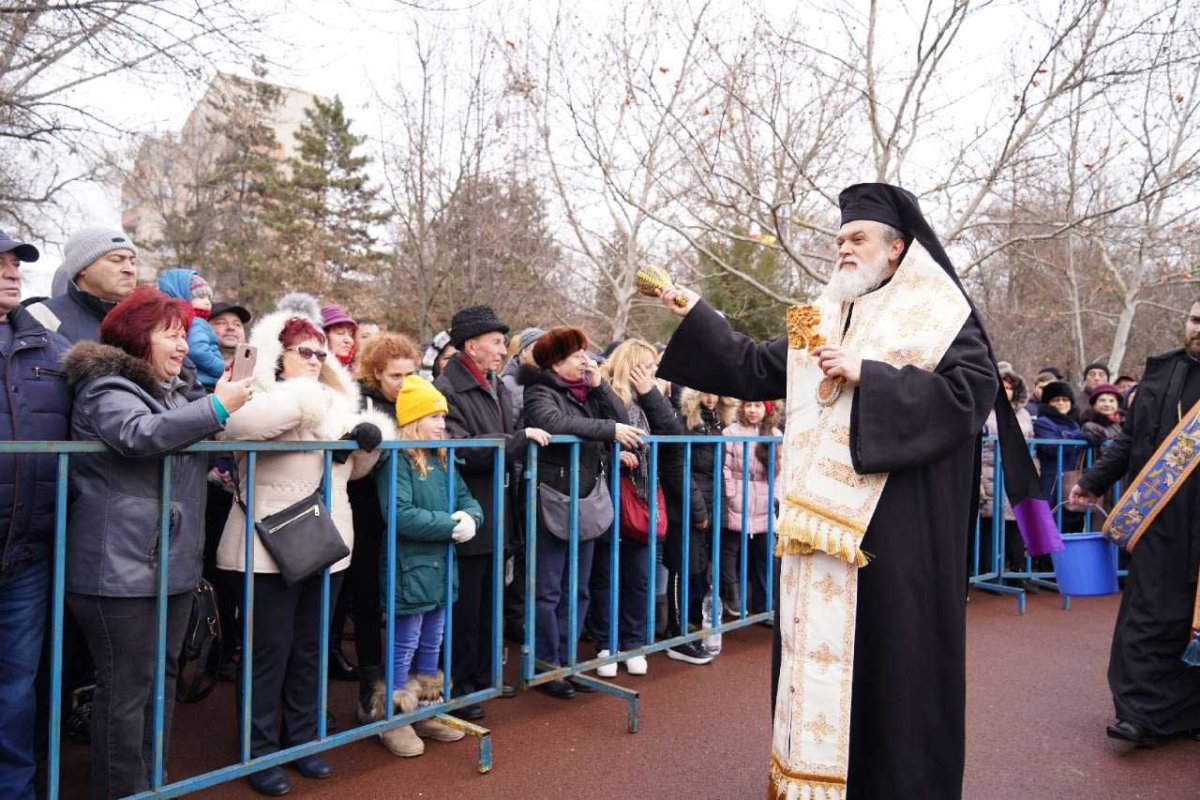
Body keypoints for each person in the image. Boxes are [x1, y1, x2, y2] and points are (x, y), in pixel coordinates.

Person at [652, 183, 1055, 799]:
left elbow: (968, 396)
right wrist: (694, 311)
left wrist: (873, 376)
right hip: (818, 530)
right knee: (817, 670)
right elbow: (757, 365)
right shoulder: (818, 310)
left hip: (900, 533)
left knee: (896, 670)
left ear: (896, 248)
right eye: (839, 238)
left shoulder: (942, 311)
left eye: (856, 238)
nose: (842, 248)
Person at [61, 286, 252, 799]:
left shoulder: (174, 392)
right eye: (172, 335)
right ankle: (122, 790)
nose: (184, 346)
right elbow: (137, 434)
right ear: (136, 336)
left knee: (162, 679)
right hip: (115, 570)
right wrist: (214, 406)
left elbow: (183, 427)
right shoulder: (106, 386)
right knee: (126, 691)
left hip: (165, 563)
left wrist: (220, 402)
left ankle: (152, 782)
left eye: (185, 336)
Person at [215, 293, 390, 797]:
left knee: (310, 650)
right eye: (303, 351)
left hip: (326, 540)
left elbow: (350, 470)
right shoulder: (252, 391)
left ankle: (303, 739)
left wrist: (365, 440)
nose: (315, 360)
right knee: (268, 652)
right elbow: (235, 425)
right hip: (264, 547)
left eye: (319, 353)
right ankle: (259, 749)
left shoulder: (336, 401)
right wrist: (310, 405)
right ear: (278, 355)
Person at [1069, 299, 1200, 747]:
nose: (1198, 327)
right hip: (1161, 521)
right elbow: (1128, 439)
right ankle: (1140, 713)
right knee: (1148, 615)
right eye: (1195, 318)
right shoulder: (1161, 375)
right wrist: (1092, 481)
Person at [434, 306, 550, 719]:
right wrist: (514, 441)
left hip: (497, 509)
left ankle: (481, 680)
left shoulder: (494, 383)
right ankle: (461, 686)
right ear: (471, 345)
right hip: (469, 511)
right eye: (497, 342)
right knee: (466, 607)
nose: (504, 350)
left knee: (489, 603)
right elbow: (460, 450)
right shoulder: (448, 389)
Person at [518, 327, 642, 699]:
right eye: (577, 356)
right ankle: (547, 665)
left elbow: (621, 417)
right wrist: (609, 429)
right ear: (556, 362)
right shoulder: (539, 390)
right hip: (553, 499)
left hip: (587, 498)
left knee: (579, 588)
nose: (585, 361)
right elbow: (555, 424)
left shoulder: (589, 392)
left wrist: (600, 385)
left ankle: (570, 661)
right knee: (549, 589)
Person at [372, 375, 479, 757]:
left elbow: (468, 499)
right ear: (415, 420)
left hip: (438, 567)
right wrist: (452, 525)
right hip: (408, 568)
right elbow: (399, 514)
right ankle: (395, 716)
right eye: (435, 417)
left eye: (443, 418)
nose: (442, 424)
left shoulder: (442, 457)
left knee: (433, 638)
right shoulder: (397, 459)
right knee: (405, 643)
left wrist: (471, 518)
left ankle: (427, 707)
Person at [0, 232, 71, 800]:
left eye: (13, 265)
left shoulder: (50, 349)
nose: (10, 274)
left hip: (27, 549)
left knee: (17, 685)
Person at [590, 339, 708, 677]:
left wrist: (650, 393)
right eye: (648, 366)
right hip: (609, 498)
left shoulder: (653, 400)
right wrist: (611, 456)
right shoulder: (604, 393)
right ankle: (605, 644)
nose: (655, 372)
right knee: (606, 576)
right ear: (632, 364)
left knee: (640, 578)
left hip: (643, 500)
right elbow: (590, 438)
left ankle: (632, 643)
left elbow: (672, 435)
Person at [346, 333, 419, 722]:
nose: (404, 382)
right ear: (376, 373)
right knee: (368, 603)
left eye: (410, 373)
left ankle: (409, 685)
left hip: (406, 516)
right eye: (395, 375)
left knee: (408, 599)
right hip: (365, 514)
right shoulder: (360, 401)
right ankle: (370, 692)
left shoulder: (418, 401)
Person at [665, 389, 736, 663]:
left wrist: (717, 511)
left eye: (717, 394)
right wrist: (698, 509)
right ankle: (676, 634)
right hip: (687, 507)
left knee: (698, 569)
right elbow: (678, 468)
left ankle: (689, 628)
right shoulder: (684, 420)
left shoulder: (717, 421)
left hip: (707, 505)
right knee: (682, 568)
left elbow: (716, 471)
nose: (712, 398)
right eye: (706, 393)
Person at [720, 399, 781, 616]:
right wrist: (731, 494)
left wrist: (776, 497)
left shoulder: (774, 434)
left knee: (765, 554)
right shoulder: (731, 432)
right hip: (738, 495)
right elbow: (725, 467)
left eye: (758, 406)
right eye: (749, 405)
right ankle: (733, 600)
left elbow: (780, 470)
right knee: (731, 550)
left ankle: (765, 606)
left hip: (764, 498)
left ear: (767, 409)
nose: (753, 410)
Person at [26, 227, 138, 343]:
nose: (130, 269)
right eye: (116, 260)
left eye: (133, 262)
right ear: (83, 267)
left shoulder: (144, 321)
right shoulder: (43, 316)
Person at [979, 363, 1035, 576]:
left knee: (1016, 523)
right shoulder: (983, 411)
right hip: (990, 475)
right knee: (988, 524)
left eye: (1010, 387)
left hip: (1017, 474)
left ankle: (1017, 572)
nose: (1006, 390)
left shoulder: (1025, 415)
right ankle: (987, 571)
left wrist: (1033, 473)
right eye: (1001, 385)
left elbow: (1033, 447)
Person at [157, 268, 225, 389]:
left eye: (209, 298)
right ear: (183, 296)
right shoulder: (196, 322)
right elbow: (198, 350)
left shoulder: (187, 321)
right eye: (200, 297)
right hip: (206, 381)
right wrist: (222, 368)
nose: (207, 302)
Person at [1033, 381, 1086, 532]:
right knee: (1051, 526)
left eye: (1065, 399)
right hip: (1052, 482)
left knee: (1073, 525)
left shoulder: (1074, 423)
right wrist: (1079, 435)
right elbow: (1051, 447)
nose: (1061, 403)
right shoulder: (1043, 422)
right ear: (1048, 403)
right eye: (1056, 400)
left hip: (1072, 480)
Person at [499, 327, 544, 430]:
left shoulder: (547, 380)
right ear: (524, 351)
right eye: (539, 349)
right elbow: (508, 428)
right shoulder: (508, 384)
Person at [1082, 383, 1123, 453]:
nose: (1107, 404)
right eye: (1102, 400)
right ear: (1094, 405)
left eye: (1111, 401)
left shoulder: (1125, 422)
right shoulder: (1089, 425)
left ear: (1117, 405)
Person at [210, 302, 252, 366]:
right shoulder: (192, 368)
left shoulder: (263, 368)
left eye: (237, 324)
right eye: (222, 323)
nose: (231, 327)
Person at [321, 305, 358, 369]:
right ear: (323, 336)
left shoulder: (356, 371)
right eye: (340, 333)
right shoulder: (314, 371)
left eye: (350, 334)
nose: (349, 340)